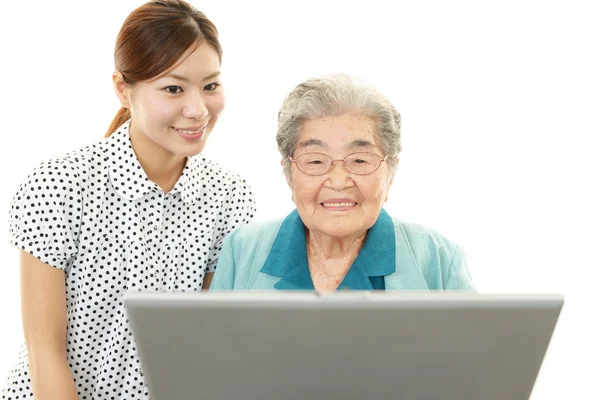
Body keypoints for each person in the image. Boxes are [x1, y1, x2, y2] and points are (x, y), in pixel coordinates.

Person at [1, 1, 255, 399]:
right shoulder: (57, 185)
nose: (198, 109)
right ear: (123, 88)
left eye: (210, 86)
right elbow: (44, 352)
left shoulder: (230, 196)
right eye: (173, 88)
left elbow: (205, 347)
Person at [211, 73, 472, 292]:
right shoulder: (241, 250)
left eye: (359, 160)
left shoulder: (441, 261)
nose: (338, 181)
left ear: (390, 173)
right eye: (315, 161)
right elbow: (213, 351)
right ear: (289, 174)